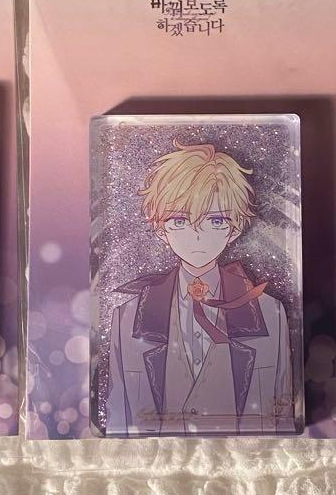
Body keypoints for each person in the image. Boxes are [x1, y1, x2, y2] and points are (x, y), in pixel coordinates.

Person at [106, 140, 294, 434]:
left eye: (216, 220)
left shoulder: (270, 314)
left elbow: (283, 418)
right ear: (160, 228)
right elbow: (118, 420)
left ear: (234, 228)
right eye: (180, 220)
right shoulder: (128, 319)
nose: (197, 235)